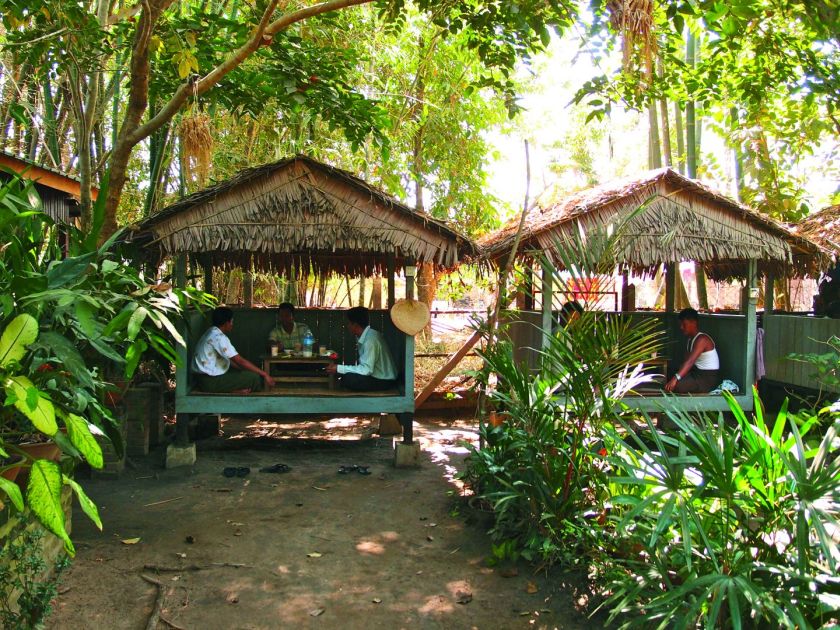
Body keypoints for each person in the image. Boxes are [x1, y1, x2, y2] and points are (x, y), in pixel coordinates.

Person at [193, 307, 275, 393]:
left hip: (202, 380)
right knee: (254, 378)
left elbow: (229, 359)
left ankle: (235, 390)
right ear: (226, 323)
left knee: (243, 372)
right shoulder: (219, 338)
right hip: (210, 382)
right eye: (231, 321)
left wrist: (242, 369)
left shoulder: (211, 331)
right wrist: (265, 374)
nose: (232, 324)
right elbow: (240, 360)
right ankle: (235, 391)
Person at [325, 306, 397, 391]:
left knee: (348, 379)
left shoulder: (370, 340)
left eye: (349, 323)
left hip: (384, 380)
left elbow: (366, 370)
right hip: (379, 377)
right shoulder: (367, 335)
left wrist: (339, 368)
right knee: (345, 376)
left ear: (355, 325)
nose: (347, 326)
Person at [664, 307, 720, 393]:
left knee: (677, 385)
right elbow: (685, 362)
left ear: (694, 323)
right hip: (696, 374)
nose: (681, 327)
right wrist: (674, 376)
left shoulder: (702, 339)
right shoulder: (691, 339)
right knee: (668, 374)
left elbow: (690, 362)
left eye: (684, 324)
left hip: (707, 379)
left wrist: (675, 379)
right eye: (680, 324)